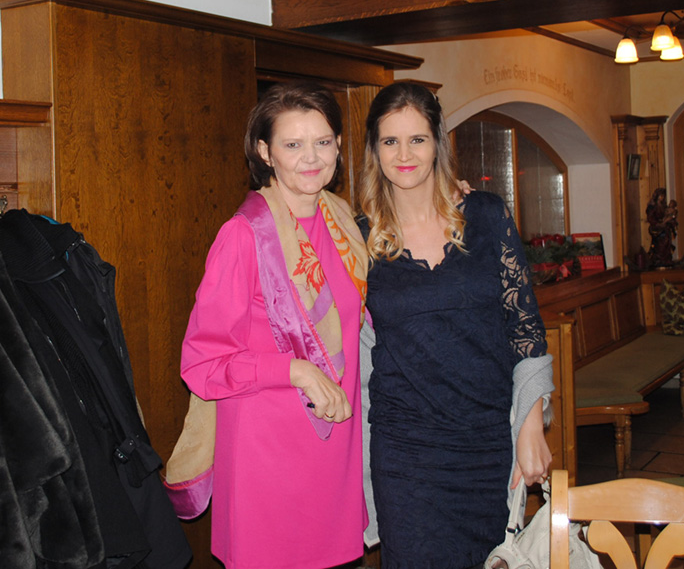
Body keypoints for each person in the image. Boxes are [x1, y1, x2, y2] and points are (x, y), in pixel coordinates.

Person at [173, 81, 370, 569]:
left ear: (338, 146)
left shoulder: (343, 221)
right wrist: (294, 370)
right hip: (267, 457)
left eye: (322, 142)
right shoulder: (244, 235)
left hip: (336, 453)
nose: (311, 158)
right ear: (265, 152)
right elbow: (202, 363)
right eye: (293, 144)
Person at [358, 82, 553, 569]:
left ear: (437, 144)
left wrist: (530, 424)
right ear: (374, 150)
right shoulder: (358, 238)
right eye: (390, 141)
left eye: (417, 140)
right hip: (406, 449)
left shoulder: (486, 215)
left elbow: (524, 326)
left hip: (487, 438)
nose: (404, 154)